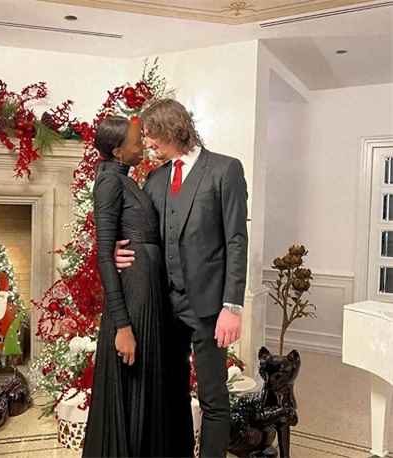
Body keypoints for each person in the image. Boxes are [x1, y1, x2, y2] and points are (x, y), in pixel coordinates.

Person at [115, 99, 248, 458]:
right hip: (164, 306)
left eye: (150, 135)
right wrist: (118, 251)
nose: (147, 144)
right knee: (171, 393)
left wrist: (232, 306)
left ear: (170, 129)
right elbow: (143, 235)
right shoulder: (155, 178)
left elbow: (236, 241)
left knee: (213, 398)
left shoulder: (224, 170)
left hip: (209, 307)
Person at [82, 116, 168, 457]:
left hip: (145, 291)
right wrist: (122, 327)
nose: (142, 145)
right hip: (132, 298)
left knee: (142, 385)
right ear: (117, 151)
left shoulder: (124, 179)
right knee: (132, 384)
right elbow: (104, 255)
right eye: (136, 141)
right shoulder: (109, 182)